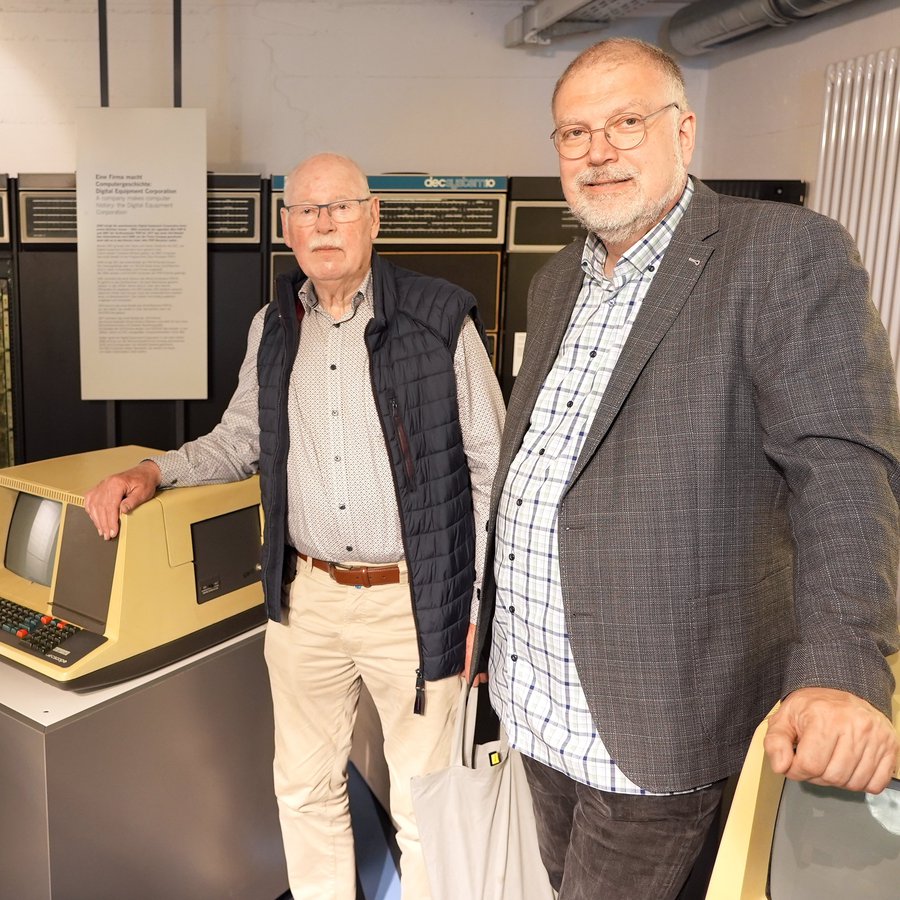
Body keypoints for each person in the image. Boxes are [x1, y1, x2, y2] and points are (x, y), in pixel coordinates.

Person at [470, 38, 900, 900]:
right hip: (540, 706)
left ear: (685, 130)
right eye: (574, 133)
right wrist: (498, 614)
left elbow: (844, 468)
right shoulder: (560, 280)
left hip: (661, 718)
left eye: (627, 123)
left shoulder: (781, 253)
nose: (598, 152)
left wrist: (844, 668)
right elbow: (546, 465)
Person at [85, 152, 505, 900]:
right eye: (307, 211)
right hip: (304, 598)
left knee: (423, 800)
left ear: (373, 218)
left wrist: (479, 601)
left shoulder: (441, 317)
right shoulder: (273, 325)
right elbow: (240, 437)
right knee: (305, 789)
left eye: (340, 207)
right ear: (286, 229)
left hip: (413, 604)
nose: (323, 224)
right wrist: (152, 471)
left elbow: (491, 466)